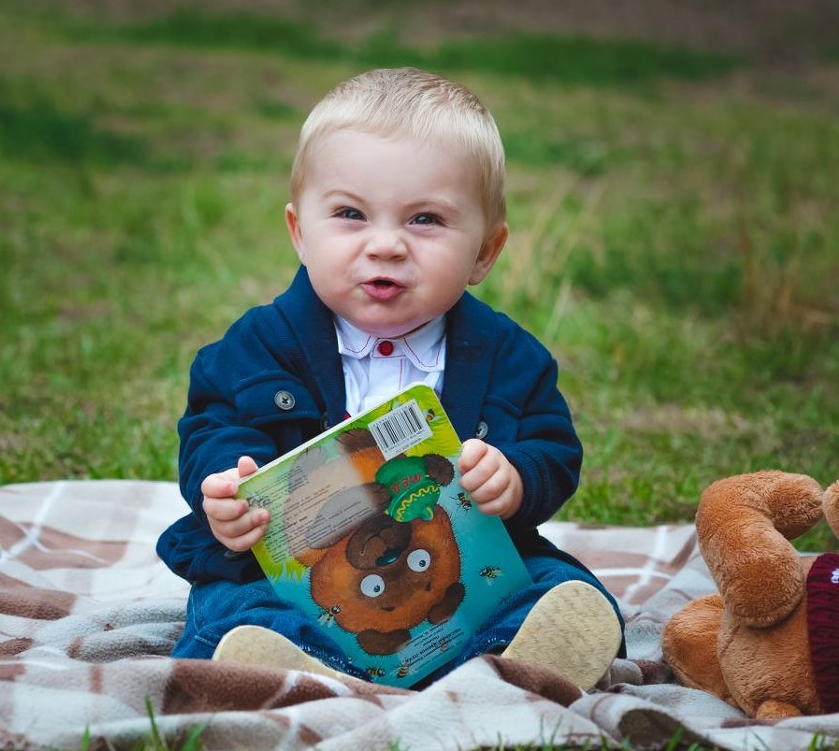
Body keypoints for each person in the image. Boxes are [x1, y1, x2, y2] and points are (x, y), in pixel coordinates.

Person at [156, 67, 623, 690]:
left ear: (485, 250)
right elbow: (216, 422)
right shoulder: (260, 344)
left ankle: (518, 663)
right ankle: (290, 669)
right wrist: (224, 486)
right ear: (300, 232)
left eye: (425, 219)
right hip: (297, 579)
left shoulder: (509, 357)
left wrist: (516, 479)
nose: (386, 245)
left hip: (462, 574)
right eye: (351, 213)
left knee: (561, 587)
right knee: (234, 609)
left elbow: (552, 447)